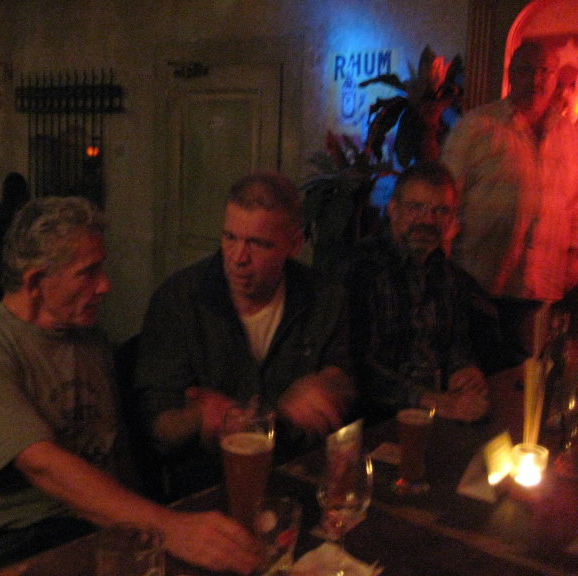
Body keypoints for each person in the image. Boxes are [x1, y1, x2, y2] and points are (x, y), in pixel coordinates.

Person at [0, 196, 261, 576]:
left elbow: (117, 453)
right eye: (88, 273)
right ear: (35, 282)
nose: (105, 285)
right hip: (16, 542)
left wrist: (195, 419)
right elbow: (44, 467)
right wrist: (169, 527)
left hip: (102, 525)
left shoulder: (91, 342)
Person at [133, 171, 353, 498]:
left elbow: (344, 376)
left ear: (294, 244)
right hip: (208, 483)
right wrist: (197, 417)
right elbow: (156, 427)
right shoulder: (180, 299)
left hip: (298, 475)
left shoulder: (324, 296)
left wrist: (328, 387)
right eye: (230, 238)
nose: (238, 258)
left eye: (259, 244)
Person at [442, 40, 578, 357]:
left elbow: (574, 208)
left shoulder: (570, 137)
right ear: (511, 74)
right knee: (481, 373)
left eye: (545, 71)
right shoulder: (477, 127)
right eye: (527, 70)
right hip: (482, 288)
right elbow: (446, 200)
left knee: (530, 377)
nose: (537, 80)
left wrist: (573, 258)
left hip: (544, 290)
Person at [346, 161, 489, 425]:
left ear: (452, 218)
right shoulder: (361, 270)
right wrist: (432, 400)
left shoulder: (447, 273)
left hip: (439, 411)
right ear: (393, 209)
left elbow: (457, 341)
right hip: (380, 420)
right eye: (416, 207)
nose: (427, 220)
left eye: (440, 211)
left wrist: (464, 371)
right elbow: (357, 367)